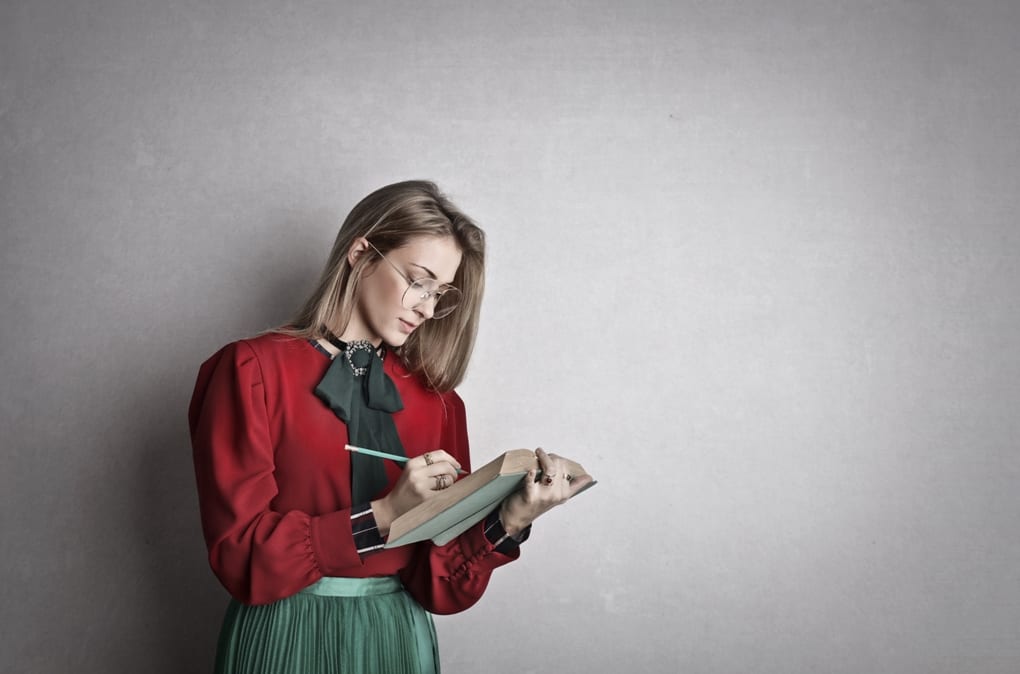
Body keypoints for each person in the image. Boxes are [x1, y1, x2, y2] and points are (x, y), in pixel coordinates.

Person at [188, 180, 593, 674]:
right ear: (362, 252)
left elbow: (437, 588)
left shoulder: (441, 405)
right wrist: (384, 514)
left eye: (440, 293)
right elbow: (240, 557)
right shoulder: (250, 371)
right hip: (283, 633)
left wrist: (511, 518)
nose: (426, 307)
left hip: (396, 637)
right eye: (418, 281)